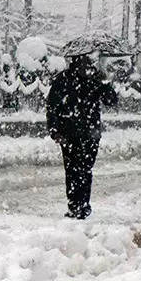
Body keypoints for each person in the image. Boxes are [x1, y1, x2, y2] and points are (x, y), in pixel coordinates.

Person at [46, 51, 119, 219]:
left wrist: (106, 82)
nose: (87, 67)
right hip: (72, 134)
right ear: (76, 63)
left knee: (83, 170)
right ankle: (76, 205)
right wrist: (54, 130)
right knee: (75, 170)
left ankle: (81, 205)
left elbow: (111, 101)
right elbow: (52, 106)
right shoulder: (64, 79)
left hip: (88, 134)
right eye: (84, 64)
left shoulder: (95, 80)